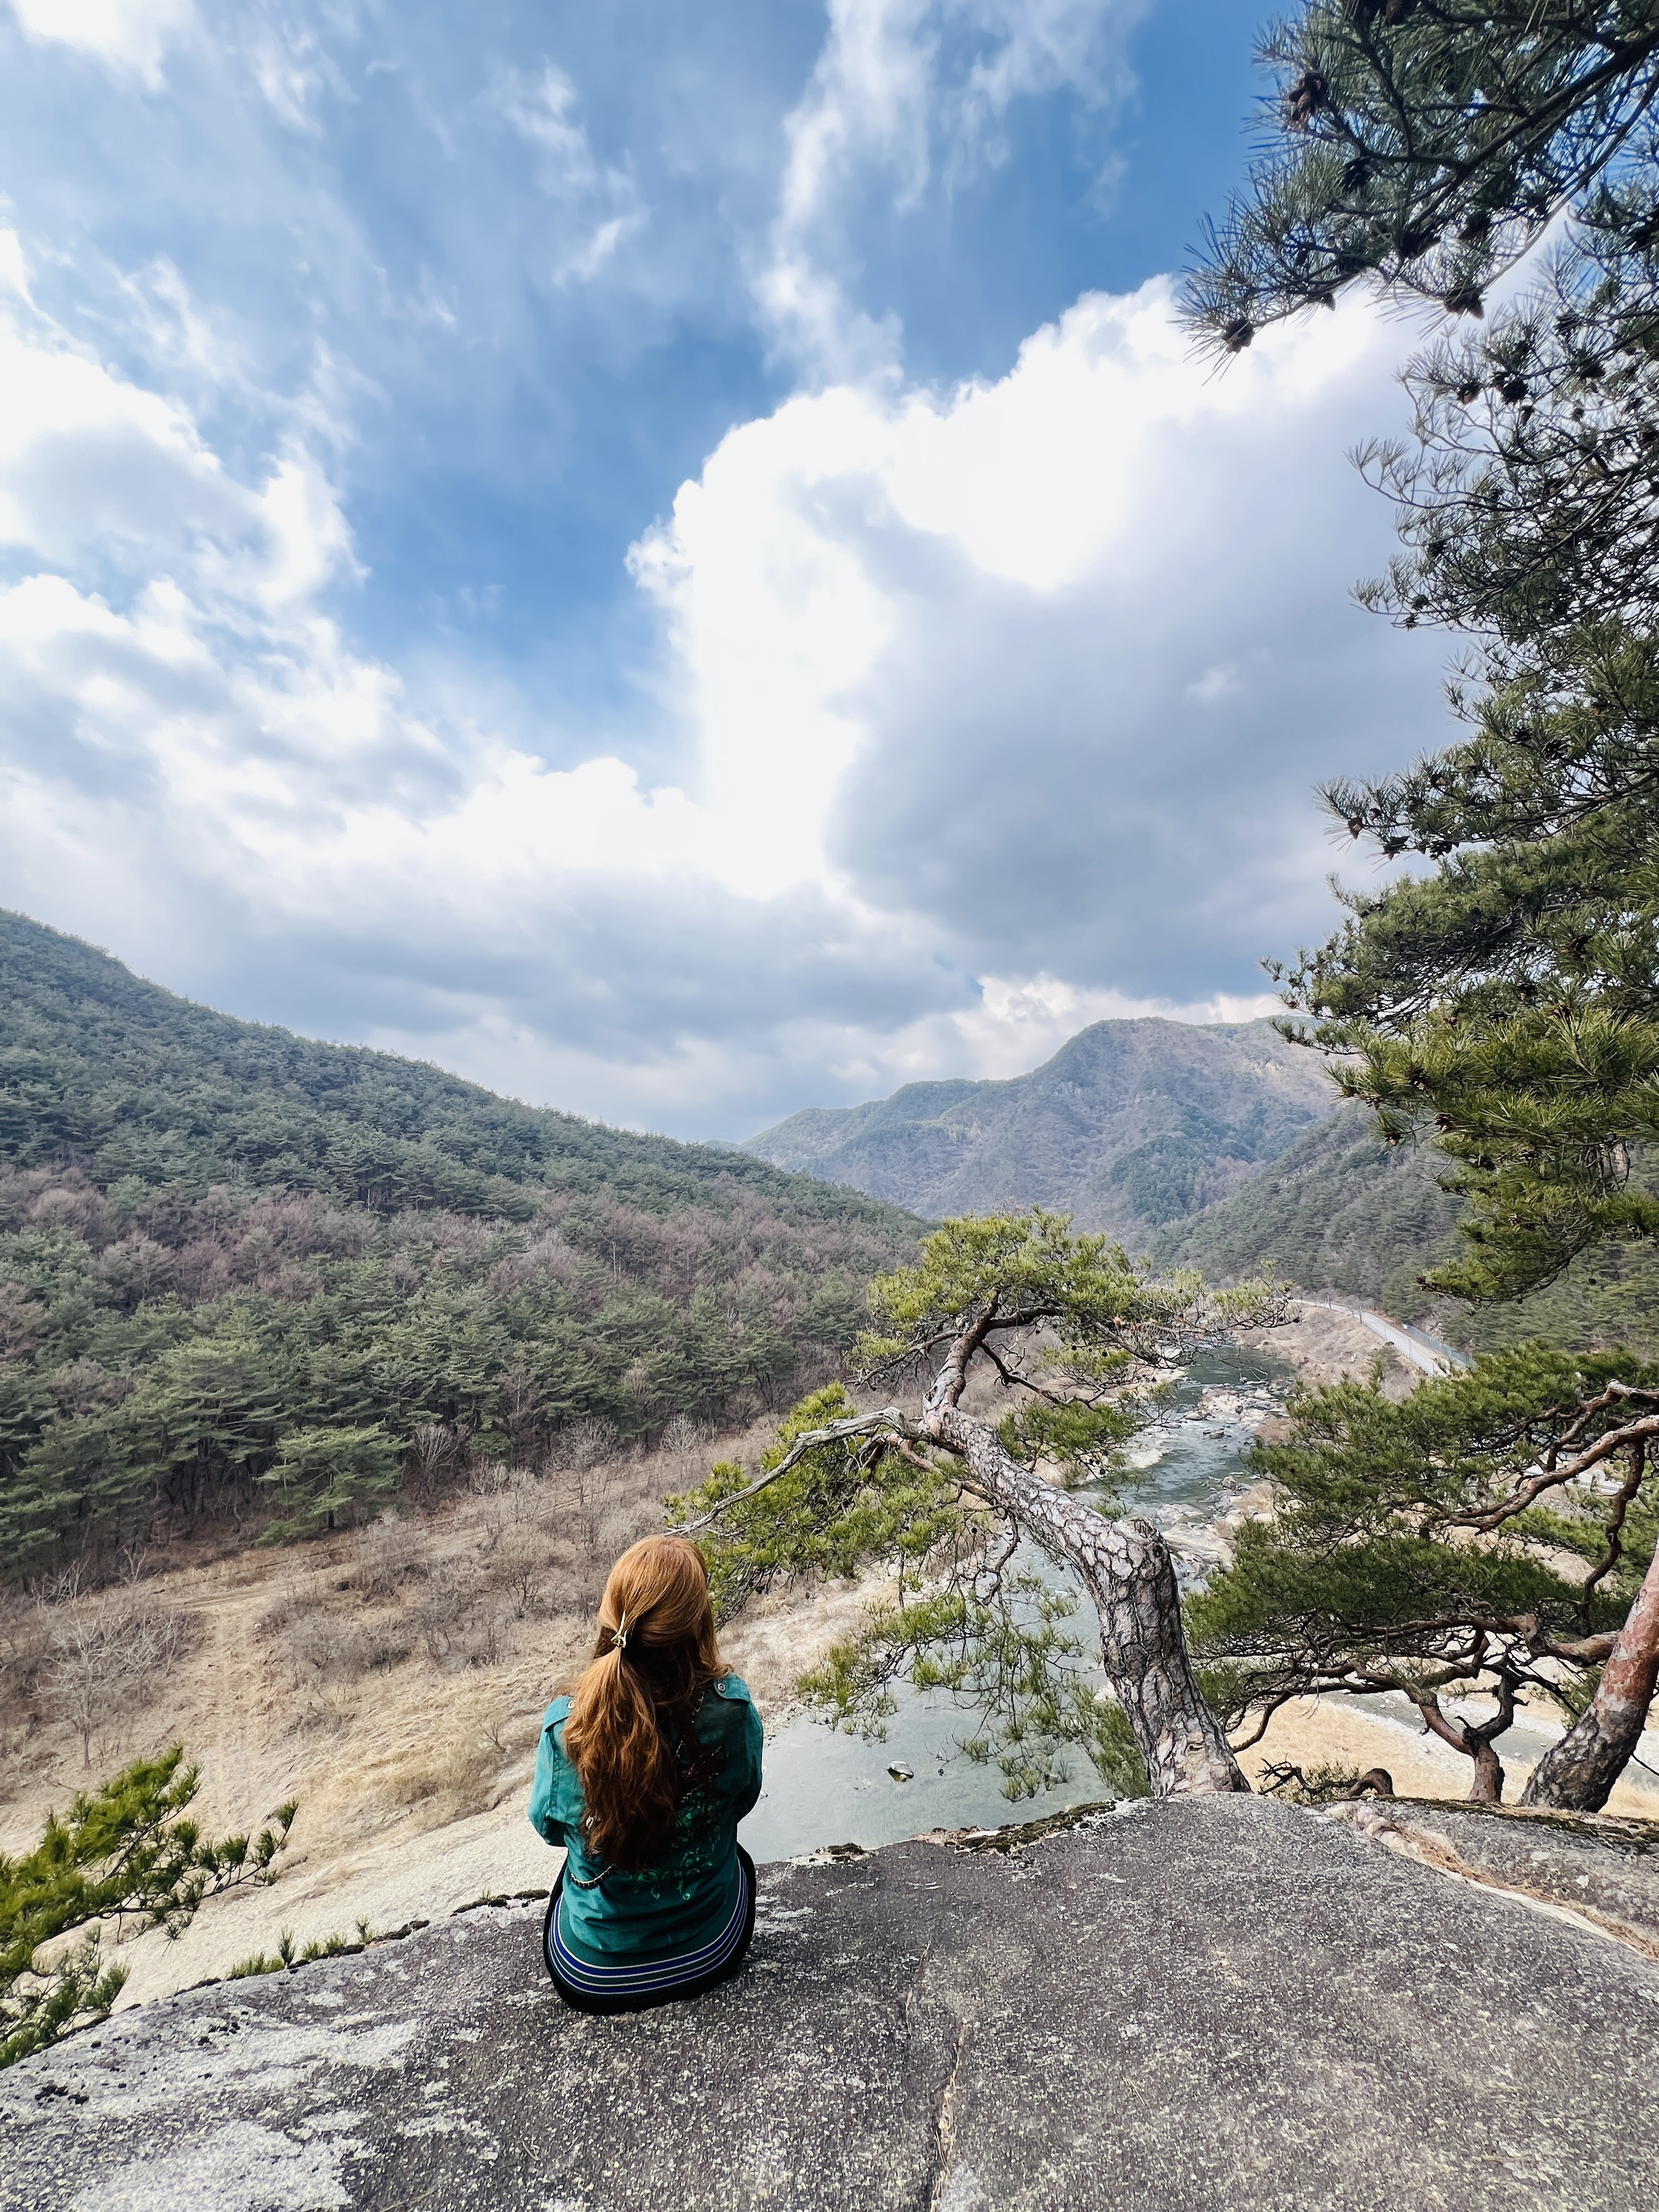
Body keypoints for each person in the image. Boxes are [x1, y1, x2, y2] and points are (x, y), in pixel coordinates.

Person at [528, 1533, 763, 2013]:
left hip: (592, 1975)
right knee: (738, 1858)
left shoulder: (566, 1727)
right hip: (709, 1952)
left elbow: (549, 1829)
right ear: (697, 1625)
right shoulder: (732, 1712)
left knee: (570, 1878)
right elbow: (743, 1798)